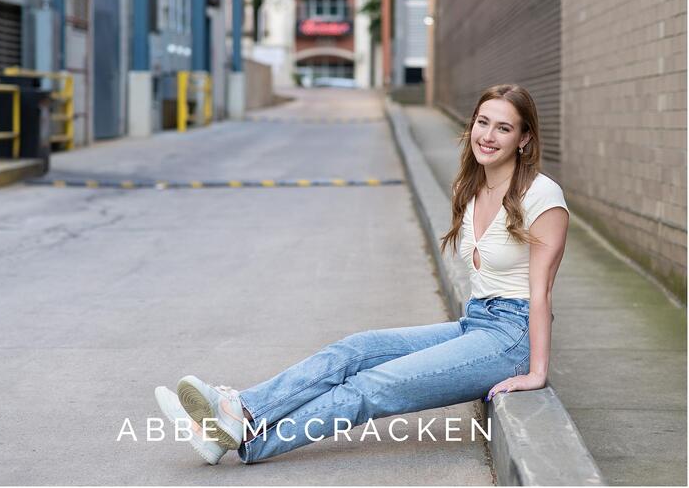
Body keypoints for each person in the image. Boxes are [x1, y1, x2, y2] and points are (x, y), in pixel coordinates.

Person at [154, 83, 570, 465]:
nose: (488, 136)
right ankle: (239, 413)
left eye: (503, 128)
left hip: (510, 338)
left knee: (372, 386)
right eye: (483, 122)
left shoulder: (541, 196)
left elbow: (542, 293)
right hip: (476, 322)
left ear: (524, 138)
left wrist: (536, 372)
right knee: (355, 350)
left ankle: (245, 437)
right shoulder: (473, 186)